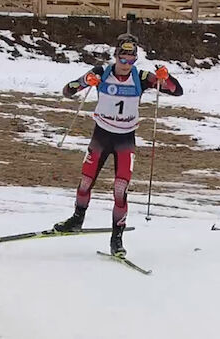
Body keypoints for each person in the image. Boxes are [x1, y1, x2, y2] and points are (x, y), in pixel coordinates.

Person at [54, 33, 183, 257]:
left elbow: (175, 90)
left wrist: (166, 77)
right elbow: (68, 90)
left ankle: (117, 239)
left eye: (131, 60)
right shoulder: (101, 73)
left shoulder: (141, 77)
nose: (126, 65)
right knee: (85, 182)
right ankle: (77, 219)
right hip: (101, 136)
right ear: (115, 56)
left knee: (120, 190)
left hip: (125, 139)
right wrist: (85, 82)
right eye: (122, 59)